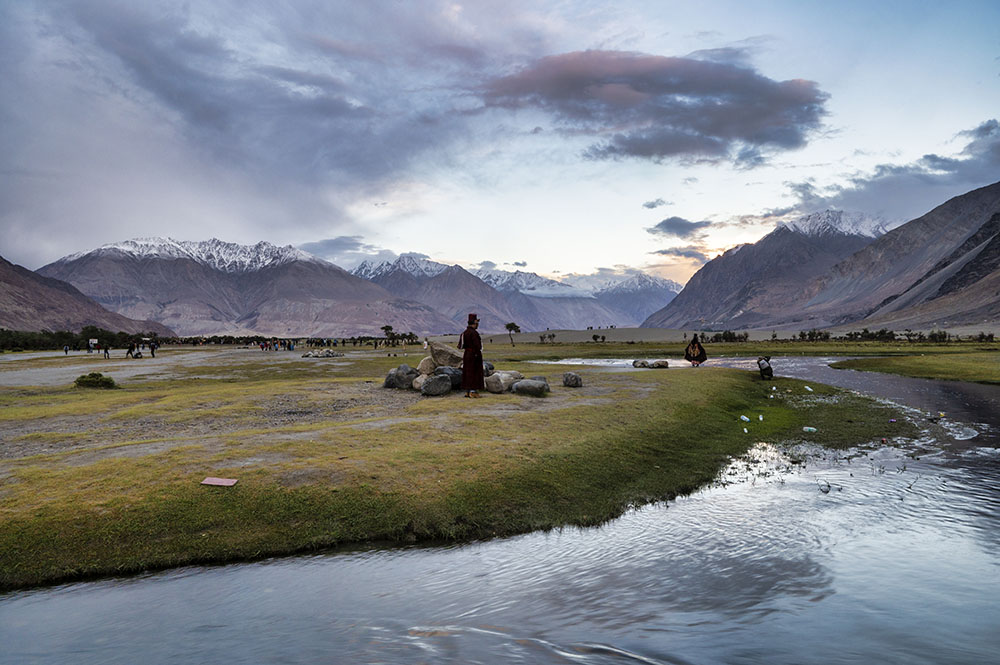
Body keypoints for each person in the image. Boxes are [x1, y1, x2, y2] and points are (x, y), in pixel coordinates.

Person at [458, 313, 485, 398]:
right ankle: (473, 391)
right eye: (477, 322)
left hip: (467, 355)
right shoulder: (474, 333)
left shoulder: (464, 333)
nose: (478, 325)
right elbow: (478, 346)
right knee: (475, 372)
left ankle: (468, 391)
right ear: (474, 323)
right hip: (474, 355)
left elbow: (460, 346)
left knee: (467, 372)